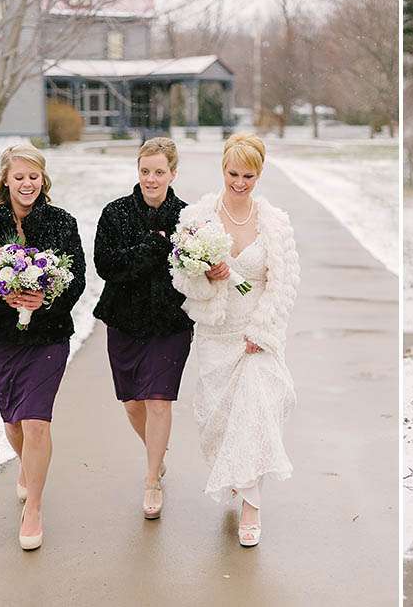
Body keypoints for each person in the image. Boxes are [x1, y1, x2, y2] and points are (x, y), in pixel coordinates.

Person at [171, 133, 300, 546]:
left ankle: (251, 507)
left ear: (259, 175)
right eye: (233, 174)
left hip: (256, 331)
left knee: (257, 411)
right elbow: (181, 279)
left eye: (248, 175)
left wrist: (262, 332)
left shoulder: (275, 223)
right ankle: (234, 473)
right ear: (221, 169)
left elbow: (284, 285)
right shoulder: (198, 218)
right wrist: (206, 277)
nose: (240, 182)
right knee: (220, 420)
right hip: (215, 332)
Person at [0, 144, 85, 550]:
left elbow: (77, 276)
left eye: (33, 176)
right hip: (0, 336)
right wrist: (1, 294)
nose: (27, 183)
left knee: (36, 422)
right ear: (6, 179)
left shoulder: (62, 222)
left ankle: (35, 506)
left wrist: (42, 300)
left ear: (42, 179)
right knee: (14, 422)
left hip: (48, 337)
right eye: (19, 177)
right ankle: (28, 467)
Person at [93, 137, 194, 519]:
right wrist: (153, 248)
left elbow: (191, 269)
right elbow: (107, 265)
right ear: (138, 171)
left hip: (170, 321)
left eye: (159, 172)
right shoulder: (115, 213)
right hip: (124, 320)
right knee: (133, 403)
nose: (151, 179)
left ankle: (152, 479)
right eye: (145, 171)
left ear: (173, 173)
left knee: (158, 400)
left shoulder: (188, 217)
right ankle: (158, 452)